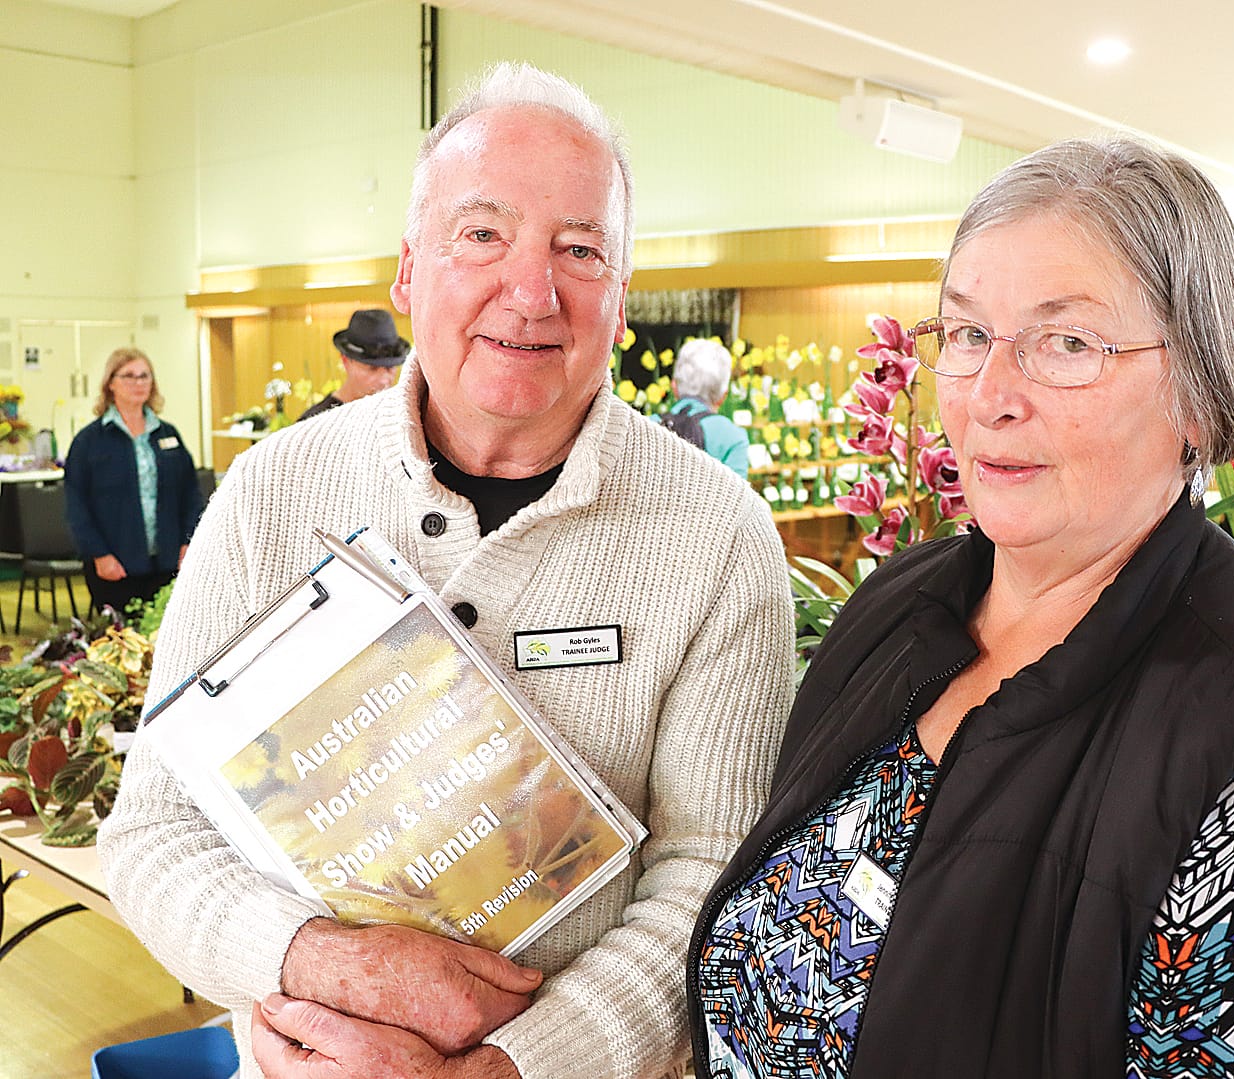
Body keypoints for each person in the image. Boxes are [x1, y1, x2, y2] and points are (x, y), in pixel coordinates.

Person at [98, 62, 793, 1079]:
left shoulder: (718, 537)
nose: (532, 291)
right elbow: (155, 831)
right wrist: (319, 964)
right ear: (407, 273)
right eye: (482, 234)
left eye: (580, 249)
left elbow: (713, 879)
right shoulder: (272, 492)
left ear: (621, 300)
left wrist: (506, 1067)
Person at [689, 137, 1234, 1079]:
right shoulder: (899, 605)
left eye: (1068, 343)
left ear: (1199, 396)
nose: (991, 397)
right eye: (968, 334)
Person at [64, 347, 204, 615]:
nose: (138, 383)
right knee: (122, 636)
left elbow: (191, 494)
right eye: (129, 376)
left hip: (169, 562)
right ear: (111, 383)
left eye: (144, 376)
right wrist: (99, 554)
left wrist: (189, 542)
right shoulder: (89, 441)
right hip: (115, 564)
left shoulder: (167, 434)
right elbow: (76, 506)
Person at [297, 309, 409, 421]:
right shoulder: (316, 422)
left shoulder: (400, 418)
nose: (383, 380)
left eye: (389, 368)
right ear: (345, 361)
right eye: (372, 368)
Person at [662, 338, 749, 478]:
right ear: (723, 396)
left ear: (674, 387)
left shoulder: (645, 425)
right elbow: (738, 491)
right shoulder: (733, 437)